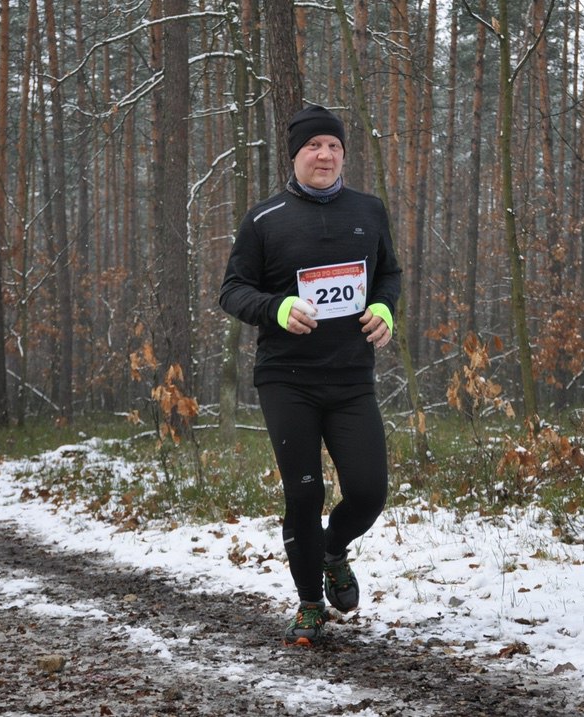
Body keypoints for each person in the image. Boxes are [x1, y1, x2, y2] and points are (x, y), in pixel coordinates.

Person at [219, 104, 401, 646]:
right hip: (287, 379)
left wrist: (385, 309)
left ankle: (332, 550)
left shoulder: (369, 210)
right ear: (295, 155)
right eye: (314, 146)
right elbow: (233, 290)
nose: (325, 155)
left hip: (351, 378)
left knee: (368, 492)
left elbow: (388, 274)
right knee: (303, 495)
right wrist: (275, 308)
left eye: (334, 146)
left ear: (344, 155)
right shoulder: (264, 219)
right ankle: (309, 604)